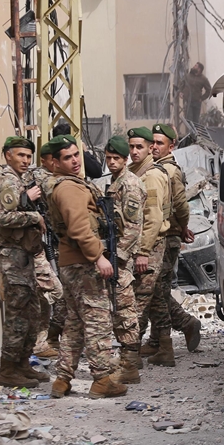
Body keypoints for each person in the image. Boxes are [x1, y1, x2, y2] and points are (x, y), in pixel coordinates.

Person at [46, 134, 127, 399]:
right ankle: (102, 380)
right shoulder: (69, 188)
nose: (74, 161)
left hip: (73, 262)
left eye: (76, 155)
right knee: (97, 321)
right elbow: (79, 228)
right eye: (67, 157)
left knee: (74, 322)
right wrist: (98, 257)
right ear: (55, 162)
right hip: (83, 263)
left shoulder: (68, 184)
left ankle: (62, 378)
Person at [0, 136, 49, 388]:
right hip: (11, 254)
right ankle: (8, 368)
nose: (25, 160)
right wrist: (34, 217)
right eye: (20, 155)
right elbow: (5, 218)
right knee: (17, 312)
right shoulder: (7, 180)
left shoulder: (19, 180)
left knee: (31, 310)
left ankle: (22, 363)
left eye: (28, 156)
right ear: (7, 155)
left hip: (23, 253)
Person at [143, 123, 201, 366]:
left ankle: (185, 323)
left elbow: (180, 204)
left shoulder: (169, 171)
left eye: (160, 143)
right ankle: (157, 339)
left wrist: (182, 226)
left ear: (171, 146)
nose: (155, 147)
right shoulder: (155, 168)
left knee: (156, 290)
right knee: (158, 289)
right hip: (165, 236)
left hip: (167, 237)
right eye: (153, 142)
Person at [101, 135, 147, 384]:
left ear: (125, 159)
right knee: (119, 309)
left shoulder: (129, 184)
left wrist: (116, 258)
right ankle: (126, 360)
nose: (111, 162)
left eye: (116, 158)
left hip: (121, 259)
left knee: (125, 311)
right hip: (114, 255)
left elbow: (132, 227)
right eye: (108, 158)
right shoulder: (115, 182)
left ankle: (130, 364)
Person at [127, 127, 173, 367]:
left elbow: (153, 219)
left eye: (140, 147)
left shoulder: (151, 176)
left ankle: (130, 356)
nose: (134, 151)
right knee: (155, 299)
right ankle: (165, 348)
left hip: (150, 246)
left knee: (139, 301)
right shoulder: (136, 172)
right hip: (144, 246)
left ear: (149, 148)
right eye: (131, 147)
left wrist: (143, 251)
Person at [23, 142, 66, 359]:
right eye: (54, 160)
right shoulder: (42, 178)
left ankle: (41, 342)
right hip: (32, 247)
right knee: (54, 291)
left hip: (42, 244)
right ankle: (39, 340)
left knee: (46, 295)